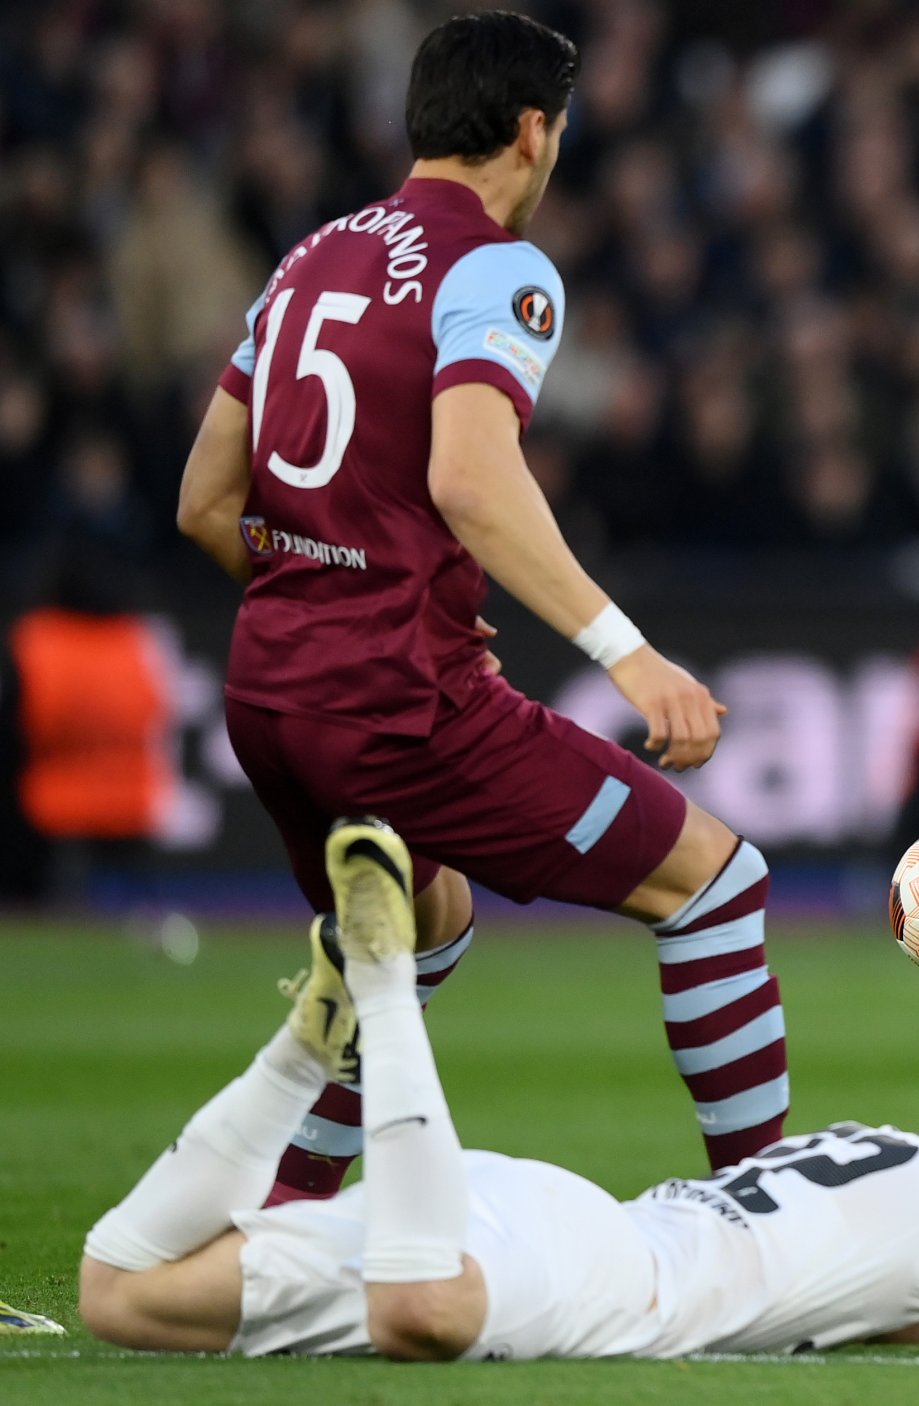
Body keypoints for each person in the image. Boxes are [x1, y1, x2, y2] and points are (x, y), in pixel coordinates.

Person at [169, 10, 789, 1199]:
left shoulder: (310, 256)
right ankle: (767, 1225)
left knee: (417, 922)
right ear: (530, 132)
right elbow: (470, 475)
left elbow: (206, 499)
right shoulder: (497, 265)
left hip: (269, 690)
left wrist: (325, 580)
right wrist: (628, 653)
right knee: (716, 884)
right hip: (400, 697)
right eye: (558, 130)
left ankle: (271, 1216)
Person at [78, 820, 919, 1361]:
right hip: (588, 1285)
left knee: (120, 1295)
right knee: (413, 1317)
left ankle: (301, 1044)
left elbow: (870, 1291)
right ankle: (379, 982)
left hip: (521, 1210)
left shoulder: (885, 1154)